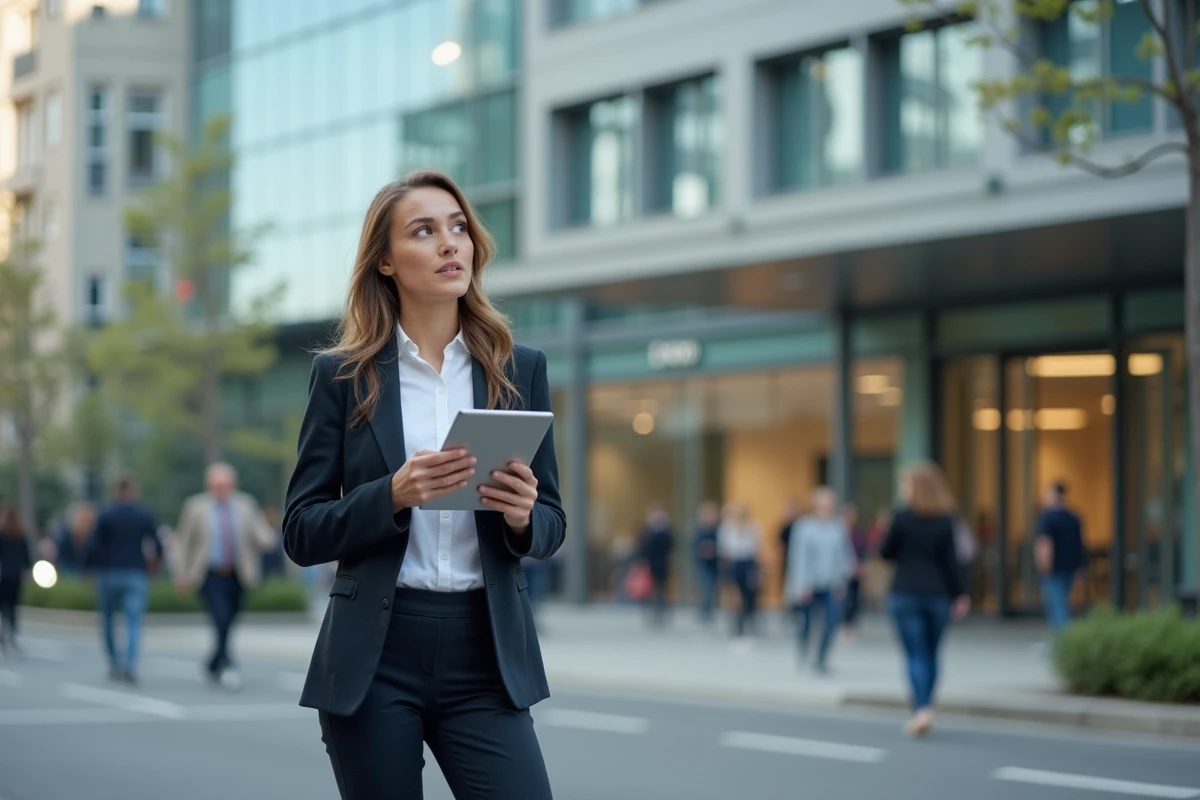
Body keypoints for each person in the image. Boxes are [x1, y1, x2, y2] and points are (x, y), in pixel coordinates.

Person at [282, 171, 564, 800]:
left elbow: (551, 522)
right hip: (376, 656)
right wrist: (393, 494)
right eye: (425, 230)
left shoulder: (520, 369)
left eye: (458, 227)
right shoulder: (342, 377)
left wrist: (522, 516)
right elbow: (301, 529)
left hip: (485, 653)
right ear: (384, 260)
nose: (449, 243)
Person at [879, 462, 970, 738]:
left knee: (915, 653)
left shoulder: (901, 518)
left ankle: (921, 708)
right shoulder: (946, 520)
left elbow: (885, 553)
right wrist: (960, 593)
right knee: (931, 653)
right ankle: (926, 704)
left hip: (906, 592)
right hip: (938, 594)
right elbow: (952, 562)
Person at [176, 462, 277, 691]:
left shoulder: (245, 504)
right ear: (209, 485)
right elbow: (184, 542)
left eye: (227, 484)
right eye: (218, 484)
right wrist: (181, 574)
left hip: (239, 574)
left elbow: (258, 533)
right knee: (220, 618)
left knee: (229, 620)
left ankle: (212, 663)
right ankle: (228, 665)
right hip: (209, 573)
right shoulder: (196, 507)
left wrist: (272, 538)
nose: (223, 488)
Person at [87, 477, 162, 684]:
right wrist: (157, 568)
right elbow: (156, 544)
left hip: (109, 572)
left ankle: (114, 661)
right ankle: (129, 663)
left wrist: (89, 568)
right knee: (133, 621)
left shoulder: (106, 514)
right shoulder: (143, 515)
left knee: (109, 619)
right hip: (135, 572)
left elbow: (93, 545)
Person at [786, 487, 856, 674]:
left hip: (831, 583)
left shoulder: (837, 526)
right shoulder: (803, 527)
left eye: (830, 504)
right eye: (824, 504)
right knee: (806, 623)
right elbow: (798, 557)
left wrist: (843, 579)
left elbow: (844, 554)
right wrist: (801, 584)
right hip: (809, 584)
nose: (828, 507)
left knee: (831, 620)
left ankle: (821, 659)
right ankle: (804, 652)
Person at [1035, 481, 1086, 634]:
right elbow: (1081, 545)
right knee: (1062, 604)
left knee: (1057, 607)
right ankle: (1060, 641)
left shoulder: (1047, 518)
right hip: (1070, 568)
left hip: (1053, 569)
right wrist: (1081, 568)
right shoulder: (1074, 517)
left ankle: (1063, 643)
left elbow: (1045, 545)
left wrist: (1044, 566)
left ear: (1054, 496)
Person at [718, 501, 761, 643]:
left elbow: (756, 548)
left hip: (748, 563)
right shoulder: (727, 528)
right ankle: (737, 626)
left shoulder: (753, 528)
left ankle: (751, 624)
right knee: (735, 597)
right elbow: (724, 548)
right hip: (733, 563)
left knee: (750, 595)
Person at [0, 505, 32, 655]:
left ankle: (2, 638)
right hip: (16, 576)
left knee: (2, 609)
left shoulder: (2, 534)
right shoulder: (20, 535)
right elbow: (27, 558)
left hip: (3, 576)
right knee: (12, 609)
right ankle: (12, 636)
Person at [637, 504, 674, 627]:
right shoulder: (647, 531)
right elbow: (642, 548)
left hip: (661, 564)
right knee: (649, 589)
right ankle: (651, 610)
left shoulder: (665, 532)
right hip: (649, 565)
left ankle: (660, 610)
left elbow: (670, 546)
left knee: (660, 588)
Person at [842, 504, 869, 640]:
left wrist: (861, 565)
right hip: (843, 572)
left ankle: (852, 625)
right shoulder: (839, 532)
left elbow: (864, 551)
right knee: (845, 600)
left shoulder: (858, 533)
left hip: (857, 570)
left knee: (855, 599)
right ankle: (843, 625)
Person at [692, 501, 721, 625]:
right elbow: (695, 548)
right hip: (704, 565)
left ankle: (709, 611)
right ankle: (705, 613)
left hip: (716, 565)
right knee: (706, 589)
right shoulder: (699, 531)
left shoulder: (719, 530)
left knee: (713, 589)